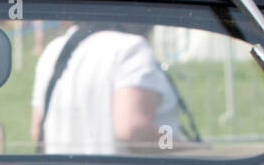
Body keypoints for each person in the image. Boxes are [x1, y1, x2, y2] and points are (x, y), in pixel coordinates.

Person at [30, 23, 182, 155]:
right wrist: (186, 148)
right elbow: (133, 130)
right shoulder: (131, 48)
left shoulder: (54, 49)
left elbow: (38, 132)